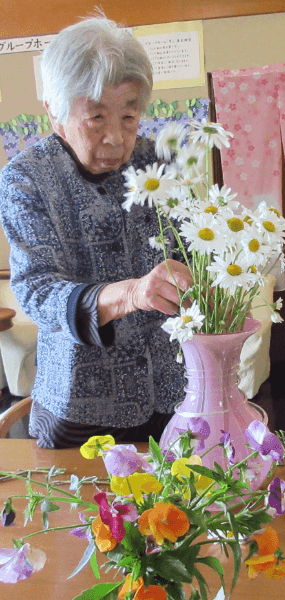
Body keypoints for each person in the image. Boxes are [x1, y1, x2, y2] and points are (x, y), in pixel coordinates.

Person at [0, 17, 192, 448]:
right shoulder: (27, 179)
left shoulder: (156, 163)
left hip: (173, 391)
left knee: (180, 511)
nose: (116, 138)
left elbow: (190, 245)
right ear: (54, 110)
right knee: (89, 513)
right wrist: (130, 294)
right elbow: (38, 290)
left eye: (129, 116)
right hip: (81, 407)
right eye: (96, 117)